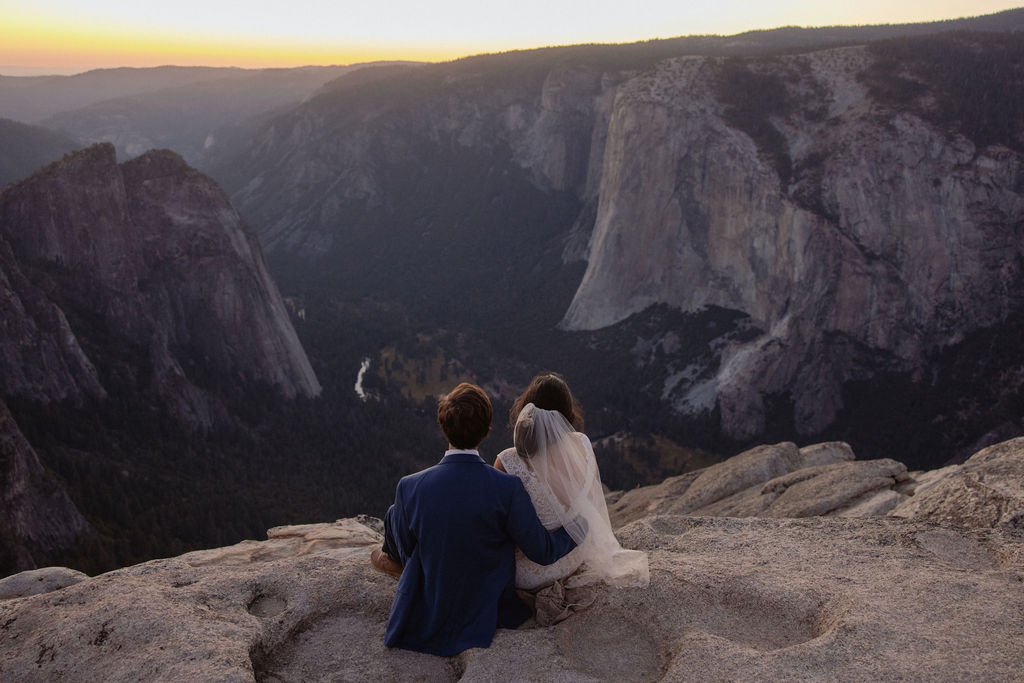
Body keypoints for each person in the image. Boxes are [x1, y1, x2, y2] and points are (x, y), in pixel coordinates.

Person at [371, 382, 581, 656]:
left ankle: (392, 561)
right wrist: (579, 529)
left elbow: (410, 545)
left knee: (396, 513)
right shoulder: (507, 488)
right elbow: (543, 551)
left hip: (430, 606)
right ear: (487, 429)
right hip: (488, 606)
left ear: (442, 425)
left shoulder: (409, 486)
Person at [495, 373, 649, 591]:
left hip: (531, 573)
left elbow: (497, 522)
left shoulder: (508, 461)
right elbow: (588, 502)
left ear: (525, 409)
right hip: (576, 556)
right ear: (566, 414)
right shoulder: (582, 445)